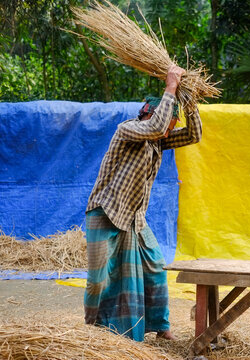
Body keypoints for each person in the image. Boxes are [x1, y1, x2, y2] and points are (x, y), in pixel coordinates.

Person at [84, 65, 201, 341]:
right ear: (149, 113)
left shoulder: (157, 142)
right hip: (106, 213)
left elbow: (193, 135)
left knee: (156, 267)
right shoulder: (128, 130)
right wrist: (171, 86)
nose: (167, 132)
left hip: (134, 219)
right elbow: (157, 126)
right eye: (167, 126)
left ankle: (162, 328)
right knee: (99, 279)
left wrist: (191, 102)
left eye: (170, 128)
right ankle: (89, 332)